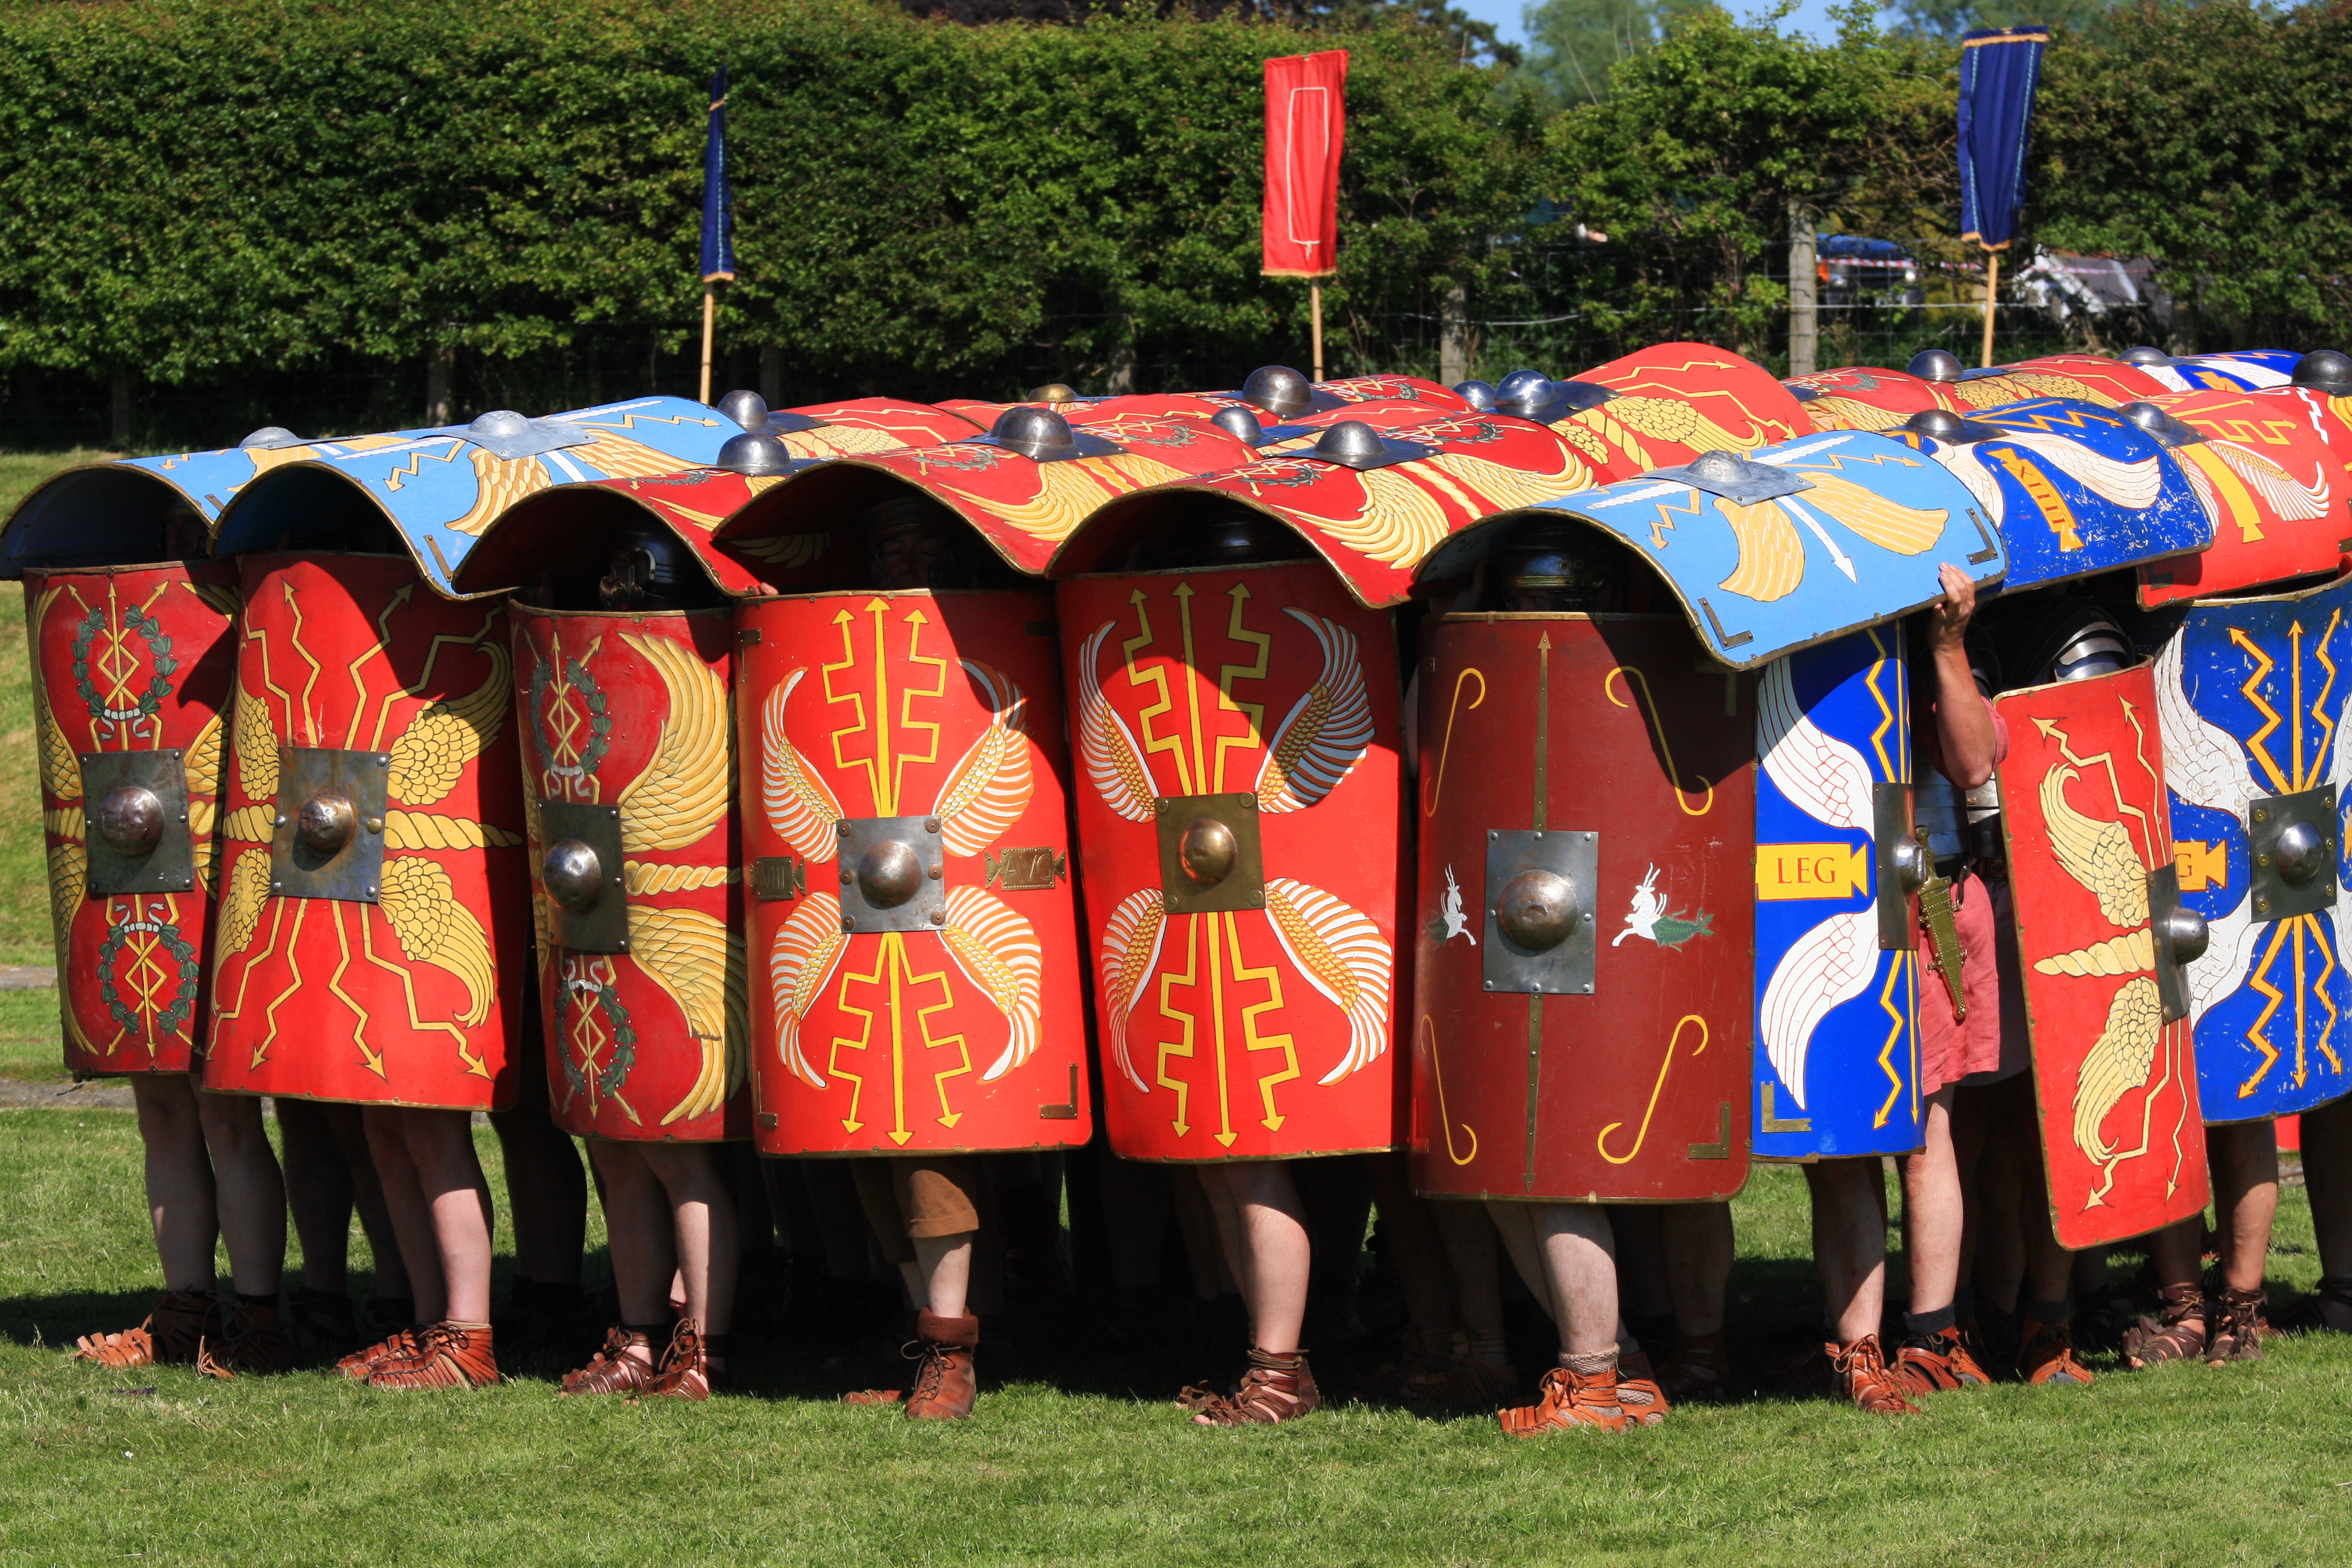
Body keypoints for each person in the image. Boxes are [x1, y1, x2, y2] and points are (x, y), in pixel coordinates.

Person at [1802, 561, 2001, 1414]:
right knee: (1843, 1143)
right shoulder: (1792, 628)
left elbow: (1972, 762)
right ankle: (1860, 1352)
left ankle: (1933, 1335)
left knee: (1927, 1136)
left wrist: (1947, 644)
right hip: (1819, 898)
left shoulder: (1932, 638)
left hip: (1927, 897)